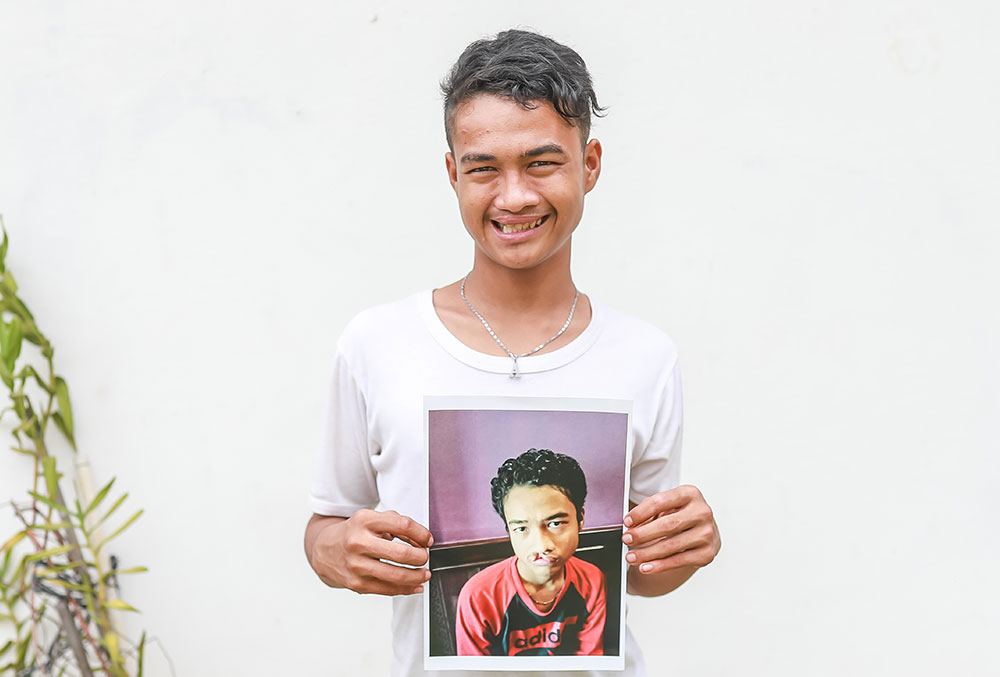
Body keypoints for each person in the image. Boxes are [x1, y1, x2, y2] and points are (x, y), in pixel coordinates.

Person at [305, 28, 722, 676]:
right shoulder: (376, 343)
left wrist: (685, 550)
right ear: (452, 174)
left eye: (542, 162)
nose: (515, 196)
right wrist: (338, 552)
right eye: (483, 168)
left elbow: (640, 574)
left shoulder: (647, 356)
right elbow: (326, 525)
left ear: (590, 164)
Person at [455, 449, 606, 656]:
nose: (542, 546)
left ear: (580, 519)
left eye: (555, 523)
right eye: (521, 528)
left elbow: (589, 663)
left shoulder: (592, 581)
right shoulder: (478, 595)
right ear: (509, 530)